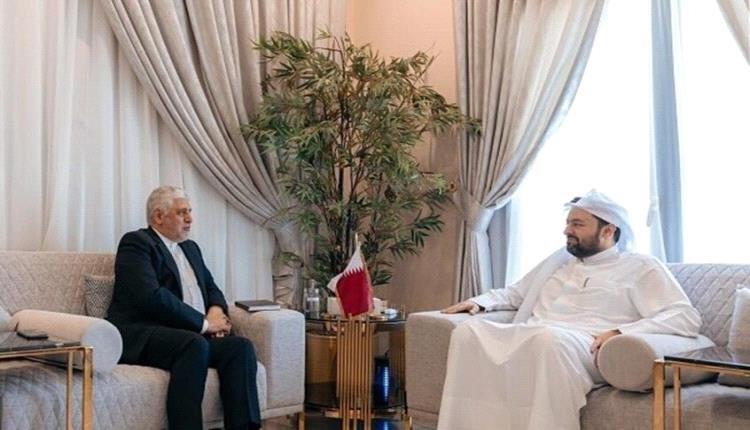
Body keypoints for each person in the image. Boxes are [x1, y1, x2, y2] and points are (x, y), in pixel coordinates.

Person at [438, 190, 701, 430]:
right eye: (568, 223)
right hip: (537, 334)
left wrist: (621, 331)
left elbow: (684, 316)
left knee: (547, 340)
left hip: (587, 344)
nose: (567, 230)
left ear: (608, 230)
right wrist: (480, 302)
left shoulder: (641, 267)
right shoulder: (558, 262)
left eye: (577, 224)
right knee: (467, 332)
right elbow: (516, 293)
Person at [107, 186, 261, 430]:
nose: (190, 219)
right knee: (194, 344)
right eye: (182, 213)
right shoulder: (137, 243)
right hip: (143, 334)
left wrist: (216, 312)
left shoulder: (191, 248)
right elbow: (151, 297)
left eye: (189, 211)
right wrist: (206, 325)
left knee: (240, 347)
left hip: (189, 335)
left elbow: (211, 288)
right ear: (159, 216)